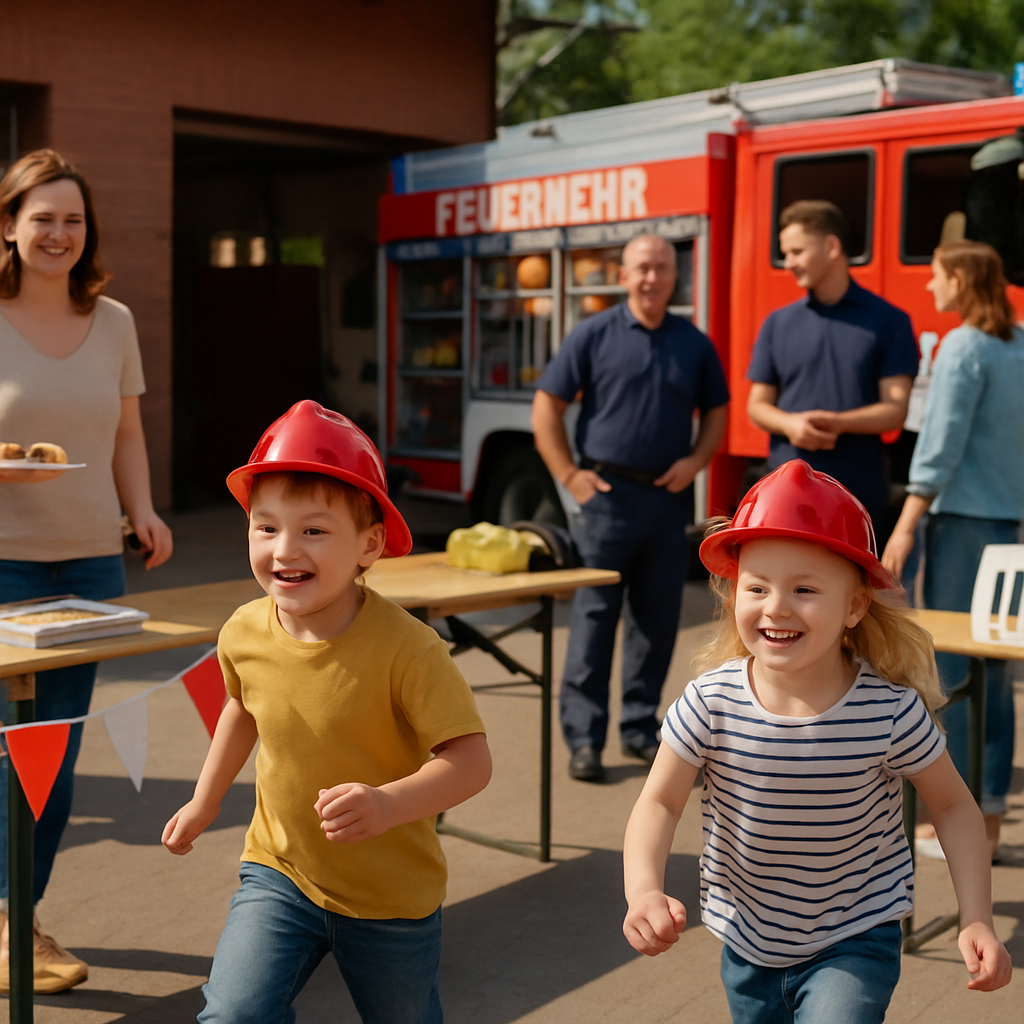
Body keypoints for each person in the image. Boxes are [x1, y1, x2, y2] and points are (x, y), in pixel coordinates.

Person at [623, 460, 1012, 1023]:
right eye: (757, 587)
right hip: (748, 939)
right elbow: (658, 802)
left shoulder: (889, 711)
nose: (777, 605)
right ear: (734, 595)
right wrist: (643, 891)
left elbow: (952, 806)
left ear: (854, 606)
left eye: (804, 588)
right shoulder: (710, 702)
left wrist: (975, 915)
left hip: (856, 935)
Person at [162, 400, 491, 1024]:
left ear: (370, 544)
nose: (285, 549)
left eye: (313, 530)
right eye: (266, 527)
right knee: (233, 1015)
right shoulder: (242, 631)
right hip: (279, 873)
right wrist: (205, 801)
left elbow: (471, 763)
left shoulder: (410, 648)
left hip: (392, 895)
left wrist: (389, 803)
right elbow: (242, 709)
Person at [0, 149, 173, 994]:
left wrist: (140, 511)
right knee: (10, 751)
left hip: (92, 564)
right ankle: (10, 923)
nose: (59, 234)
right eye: (42, 219)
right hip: (2, 566)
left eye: (72, 219)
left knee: (56, 756)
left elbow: (128, 434)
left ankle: (17, 911)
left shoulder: (115, 322)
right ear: (9, 225)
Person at [531, 233, 729, 783]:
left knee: (656, 620)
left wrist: (695, 462)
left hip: (667, 502)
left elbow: (717, 411)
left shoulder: (693, 343)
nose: (651, 278)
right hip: (607, 501)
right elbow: (545, 408)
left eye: (662, 268)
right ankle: (584, 739)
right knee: (594, 620)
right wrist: (571, 476)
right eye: (642, 268)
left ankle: (641, 729)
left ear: (673, 277)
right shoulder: (592, 336)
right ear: (623, 275)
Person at [882, 240, 1024, 863]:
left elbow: (939, 445)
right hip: (1009, 527)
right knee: (997, 677)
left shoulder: (963, 344)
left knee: (955, 674)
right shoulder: (1018, 342)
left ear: (961, 279)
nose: (929, 288)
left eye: (936, 276)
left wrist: (906, 522)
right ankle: (987, 824)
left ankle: (954, 828)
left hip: (961, 525)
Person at [746, 200, 918, 529]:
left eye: (797, 251)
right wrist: (791, 425)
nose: (789, 263)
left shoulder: (888, 321)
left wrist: (836, 423)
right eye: (787, 253)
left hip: (858, 494)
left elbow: (895, 411)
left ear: (831, 245)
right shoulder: (778, 323)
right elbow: (756, 406)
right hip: (786, 493)